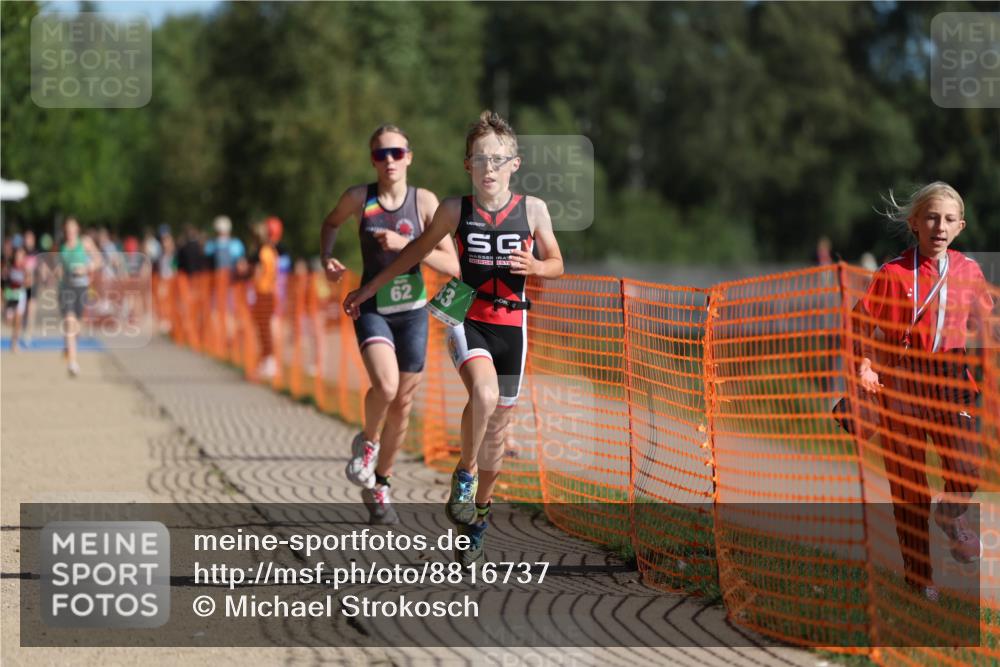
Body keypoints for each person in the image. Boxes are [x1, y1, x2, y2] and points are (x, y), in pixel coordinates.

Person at [343, 111, 564, 563]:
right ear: (467, 165)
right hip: (468, 314)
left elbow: (557, 261)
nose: (489, 168)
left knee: (498, 432)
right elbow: (413, 254)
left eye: (498, 160)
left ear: (515, 164)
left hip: (513, 325)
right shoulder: (452, 210)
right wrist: (366, 289)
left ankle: (477, 517)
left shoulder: (534, 209)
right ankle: (463, 476)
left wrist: (539, 267)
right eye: (480, 159)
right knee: (482, 394)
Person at [853, 182, 993, 602]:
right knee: (909, 486)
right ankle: (920, 578)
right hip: (904, 382)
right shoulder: (893, 274)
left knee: (967, 466)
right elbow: (859, 323)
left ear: (961, 226)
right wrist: (863, 366)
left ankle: (951, 515)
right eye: (931, 217)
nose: (940, 226)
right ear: (915, 223)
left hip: (953, 379)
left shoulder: (970, 272)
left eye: (949, 219)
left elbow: (986, 330)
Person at [322, 124, 459, 525]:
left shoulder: (425, 202)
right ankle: (368, 442)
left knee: (403, 405)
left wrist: (410, 247)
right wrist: (326, 258)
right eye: (381, 154)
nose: (390, 161)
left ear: (409, 157)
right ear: (372, 160)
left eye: (397, 153)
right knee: (386, 386)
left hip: (413, 312)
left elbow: (453, 265)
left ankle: (381, 482)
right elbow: (329, 224)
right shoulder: (358, 198)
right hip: (373, 306)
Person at [57, 217, 100, 377]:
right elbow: (60, 269)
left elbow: (98, 260)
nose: (69, 232)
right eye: (67, 229)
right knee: (70, 321)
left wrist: (87, 267)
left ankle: (69, 347)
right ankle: (73, 363)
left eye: (72, 228)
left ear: (77, 229)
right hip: (67, 288)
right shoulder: (63, 247)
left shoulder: (85, 243)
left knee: (77, 326)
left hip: (82, 287)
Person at [251, 218, 280, 380]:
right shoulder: (271, 251)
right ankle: (267, 360)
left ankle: (269, 361)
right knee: (264, 328)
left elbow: (258, 273)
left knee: (264, 329)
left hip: (263, 293)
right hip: (269, 293)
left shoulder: (262, 253)